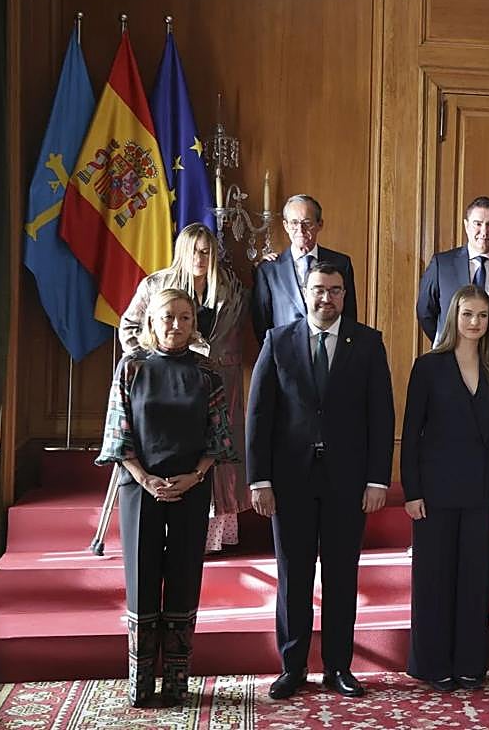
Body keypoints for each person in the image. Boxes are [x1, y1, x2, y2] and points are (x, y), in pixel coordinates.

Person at [246, 263, 395, 700]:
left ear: (344, 295)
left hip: (347, 481)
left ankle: (338, 666)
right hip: (289, 481)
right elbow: (259, 415)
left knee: (342, 575)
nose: (326, 298)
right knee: (293, 575)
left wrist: (377, 480)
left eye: (335, 290)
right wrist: (259, 480)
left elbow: (381, 416)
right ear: (305, 292)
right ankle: (292, 668)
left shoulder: (367, 343)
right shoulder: (278, 341)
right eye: (318, 289)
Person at [96, 288, 235, 707]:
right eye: (168, 317)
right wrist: (145, 478)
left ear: (194, 325)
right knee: (142, 582)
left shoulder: (207, 373)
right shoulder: (132, 367)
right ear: (152, 322)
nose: (176, 325)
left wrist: (194, 477)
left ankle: (176, 682)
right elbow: (118, 433)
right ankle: (140, 684)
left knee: (184, 578)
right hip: (139, 487)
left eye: (185, 318)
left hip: (192, 486)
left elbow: (219, 437)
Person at [401, 285, 489, 692]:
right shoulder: (428, 367)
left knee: (474, 579)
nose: (474, 322)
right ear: (454, 317)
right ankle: (433, 664)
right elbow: (410, 434)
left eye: (482, 315)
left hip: (481, 490)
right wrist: (411, 492)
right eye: (468, 314)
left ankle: (470, 664)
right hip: (434, 492)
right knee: (434, 578)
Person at [119, 223, 250, 551]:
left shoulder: (230, 287)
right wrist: (151, 362)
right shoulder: (157, 284)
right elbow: (129, 327)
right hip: (166, 385)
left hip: (216, 381)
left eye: (206, 251)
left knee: (214, 450)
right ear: (181, 252)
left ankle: (210, 538)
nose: (200, 258)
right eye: (193, 251)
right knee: (174, 449)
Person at [417, 196, 489, 379]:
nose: (484, 231)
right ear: (466, 225)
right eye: (478, 223)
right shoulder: (442, 264)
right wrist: (451, 340)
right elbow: (425, 312)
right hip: (449, 366)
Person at [251, 194, 358, 344]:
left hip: (329, 350)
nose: (300, 230)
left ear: (320, 224)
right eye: (294, 223)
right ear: (286, 226)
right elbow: (261, 323)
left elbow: (349, 317)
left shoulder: (341, 264)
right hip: (285, 352)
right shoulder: (269, 270)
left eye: (307, 223)